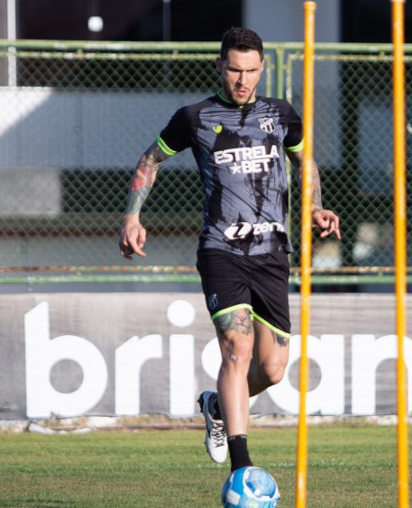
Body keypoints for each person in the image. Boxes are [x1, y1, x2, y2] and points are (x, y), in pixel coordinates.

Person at [118, 27, 341, 471]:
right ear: (220, 66)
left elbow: (305, 159)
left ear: (262, 70)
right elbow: (150, 159)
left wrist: (315, 204)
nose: (243, 79)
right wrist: (132, 215)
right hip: (222, 251)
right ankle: (243, 467)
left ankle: (217, 408)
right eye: (235, 70)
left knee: (273, 368)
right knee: (236, 352)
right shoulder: (194, 117)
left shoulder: (280, 114)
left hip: (273, 254)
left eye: (251, 71)